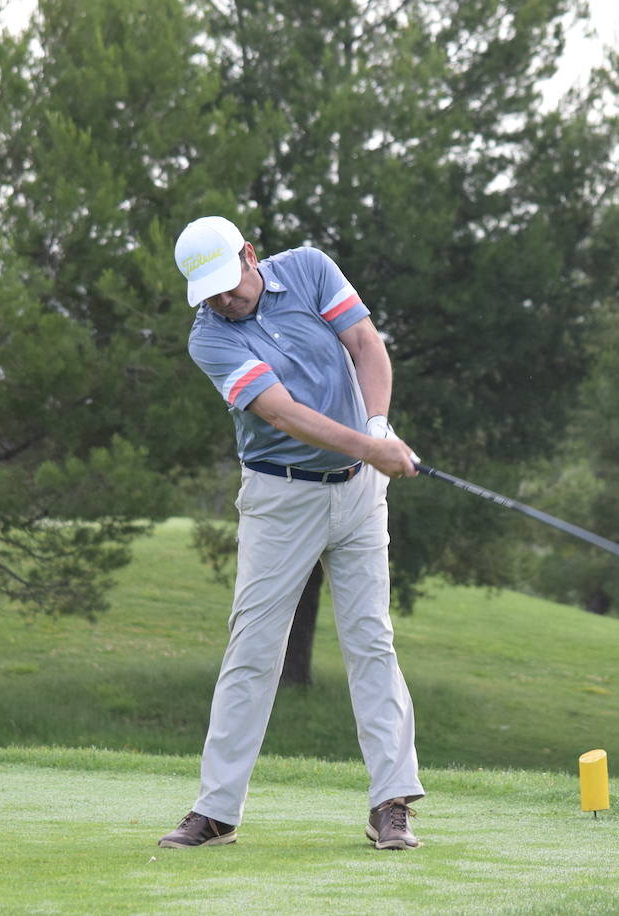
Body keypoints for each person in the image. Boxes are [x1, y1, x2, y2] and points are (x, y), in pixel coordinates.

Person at [159, 215, 425, 851]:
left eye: (229, 283)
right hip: (280, 497)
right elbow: (283, 414)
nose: (224, 301)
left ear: (251, 256)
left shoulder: (307, 267)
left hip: (359, 494)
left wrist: (380, 428)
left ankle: (392, 802)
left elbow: (364, 343)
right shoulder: (209, 340)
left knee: (371, 639)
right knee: (252, 649)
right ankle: (216, 810)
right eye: (210, 294)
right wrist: (371, 443)